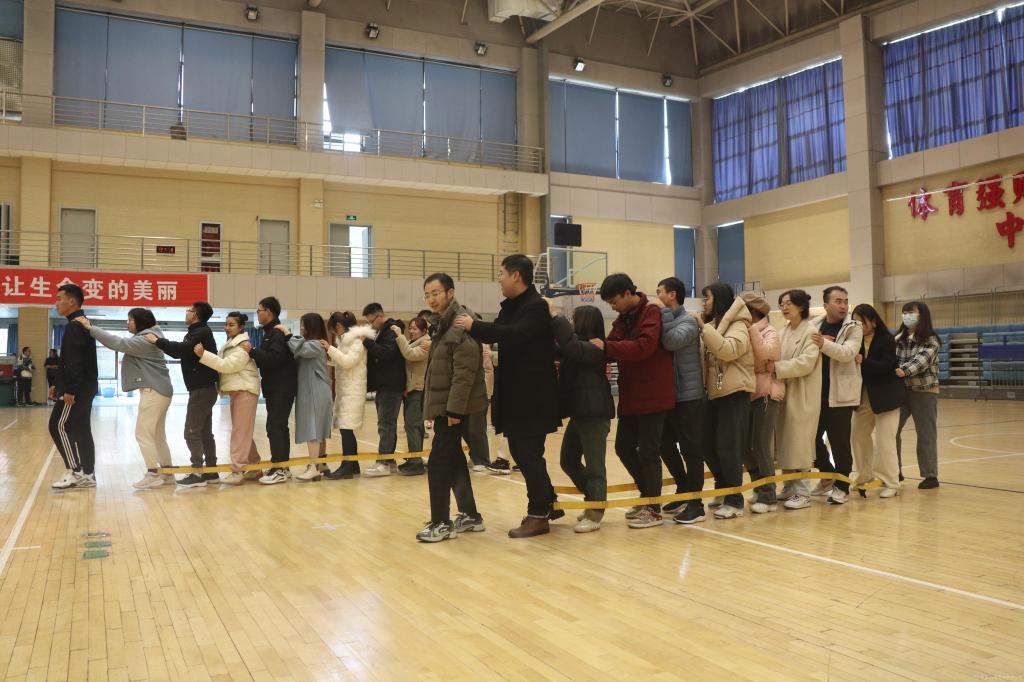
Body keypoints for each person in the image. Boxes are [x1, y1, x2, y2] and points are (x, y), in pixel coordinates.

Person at [455, 254, 561, 539]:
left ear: (516, 275)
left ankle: (538, 514)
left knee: (527, 453)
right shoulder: (512, 306)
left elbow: (514, 334)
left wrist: (474, 326)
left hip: (533, 397)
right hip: (516, 394)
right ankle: (548, 502)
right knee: (524, 452)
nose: (499, 279)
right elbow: (499, 333)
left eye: (502, 274)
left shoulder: (535, 306)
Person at [597, 273, 675, 529]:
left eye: (614, 301)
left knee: (649, 452)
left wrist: (606, 347)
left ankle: (653, 509)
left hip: (653, 395)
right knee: (623, 447)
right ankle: (647, 496)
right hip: (631, 396)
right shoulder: (624, 317)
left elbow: (644, 346)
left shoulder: (651, 311)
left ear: (628, 293)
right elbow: (611, 343)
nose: (613, 307)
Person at [417, 273, 488, 542]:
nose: (431, 299)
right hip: (446, 406)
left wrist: (454, 411)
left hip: (455, 409)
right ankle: (470, 515)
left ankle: (441, 522)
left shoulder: (460, 323)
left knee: (438, 462)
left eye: (435, 293)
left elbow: (464, 373)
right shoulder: (442, 324)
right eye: (427, 295)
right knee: (455, 458)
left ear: (450, 293)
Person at [77, 308, 175, 489]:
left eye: (130, 320)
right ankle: (168, 474)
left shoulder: (145, 339)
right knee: (157, 436)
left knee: (143, 433)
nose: (127, 323)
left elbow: (118, 343)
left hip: (154, 391)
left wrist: (91, 328)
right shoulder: (151, 336)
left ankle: (153, 473)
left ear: (141, 322)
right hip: (160, 391)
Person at [549, 301, 614, 533]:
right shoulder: (574, 346)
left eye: (574, 319)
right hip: (580, 413)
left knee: (595, 466)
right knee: (568, 460)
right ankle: (595, 499)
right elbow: (558, 347)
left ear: (584, 322)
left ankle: (595, 512)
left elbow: (571, 346)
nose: (571, 322)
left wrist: (555, 317)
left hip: (594, 414)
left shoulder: (594, 347)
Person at [697, 282, 755, 520]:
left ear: (719, 299)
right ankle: (723, 489)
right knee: (706, 445)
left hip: (735, 392)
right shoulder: (714, 324)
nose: (704, 303)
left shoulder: (739, 324)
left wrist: (704, 328)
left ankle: (734, 500)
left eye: (708, 298)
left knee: (729, 447)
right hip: (714, 393)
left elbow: (728, 351)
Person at [146, 301, 220, 487]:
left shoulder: (200, 332)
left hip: (202, 390)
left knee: (191, 432)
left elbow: (179, 350)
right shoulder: (198, 332)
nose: (186, 312)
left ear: (195, 315)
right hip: (203, 388)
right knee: (204, 432)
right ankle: (211, 473)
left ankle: (197, 473)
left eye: (189, 310)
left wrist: (157, 341)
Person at [656, 277, 707, 524]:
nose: (656, 297)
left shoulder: (688, 322)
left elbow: (670, 342)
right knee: (663, 444)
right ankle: (683, 488)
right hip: (670, 396)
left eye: (660, 292)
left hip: (689, 396)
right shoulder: (667, 319)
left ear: (672, 295)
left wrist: (663, 313)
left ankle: (696, 504)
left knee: (691, 449)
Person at [809, 286, 863, 506]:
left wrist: (823, 343)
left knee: (839, 443)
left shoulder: (854, 327)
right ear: (825, 304)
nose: (843, 305)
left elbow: (847, 353)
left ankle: (841, 487)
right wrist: (819, 341)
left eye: (845, 301)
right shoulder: (813, 325)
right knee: (811, 440)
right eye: (838, 301)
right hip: (815, 393)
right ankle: (828, 475)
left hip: (840, 395)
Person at [195, 311, 261, 485]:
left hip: (245, 391)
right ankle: (255, 467)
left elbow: (227, 366)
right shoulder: (231, 344)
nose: (227, 328)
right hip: (237, 391)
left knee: (240, 432)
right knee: (243, 431)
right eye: (226, 324)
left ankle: (238, 470)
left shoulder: (243, 346)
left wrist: (203, 355)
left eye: (231, 325)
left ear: (241, 327)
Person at [773, 289, 822, 510]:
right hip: (784, 391)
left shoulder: (810, 332)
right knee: (785, 441)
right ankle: (789, 486)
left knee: (800, 443)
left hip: (803, 394)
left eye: (788, 303)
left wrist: (776, 368)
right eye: (781, 304)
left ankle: (803, 492)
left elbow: (806, 363)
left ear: (801, 306)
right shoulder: (782, 331)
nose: (784, 307)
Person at [850, 304, 905, 498]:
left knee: (885, 440)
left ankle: (891, 482)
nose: (858, 325)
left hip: (886, 397)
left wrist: (862, 361)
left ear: (873, 321)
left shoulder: (886, 339)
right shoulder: (854, 340)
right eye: (854, 322)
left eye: (861, 321)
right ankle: (863, 476)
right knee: (857, 435)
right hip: (863, 397)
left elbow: (887, 366)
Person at [49, 284, 99, 490]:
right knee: (80, 428)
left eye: (59, 299)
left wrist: (69, 389)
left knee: (58, 426)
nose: (56, 303)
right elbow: (68, 360)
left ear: (72, 301)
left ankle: (76, 472)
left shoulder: (75, 326)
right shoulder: (80, 323)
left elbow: (75, 362)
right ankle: (88, 474)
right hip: (84, 386)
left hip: (77, 388)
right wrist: (57, 383)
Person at [361, 302, 416, 477]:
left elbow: (387, 352)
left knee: (386, 424)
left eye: (371, 321)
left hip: (392, 385)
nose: (370, 325)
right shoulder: (381, 331)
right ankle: (389, 461)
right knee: (385, 423)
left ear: (380, 316)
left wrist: (367, 342)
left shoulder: (391, 330)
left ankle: (384, 462)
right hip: (383, 385)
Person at [741, 291, 783, 514]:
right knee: (744, 446)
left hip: (767, 394)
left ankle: (768, 496)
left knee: (761, 445)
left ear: (753, 312)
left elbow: (767, 352)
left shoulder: (769, 331)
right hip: (748, 392)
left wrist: (752, 330)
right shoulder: (745, 330)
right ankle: (758, 486)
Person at [248, 296, 298, 485]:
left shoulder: (276, 332)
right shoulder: (270, 332)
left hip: (281, 387)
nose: (258, 314)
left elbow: (273, 359)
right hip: (275, 387)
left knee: (275, 426)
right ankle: (282, 466)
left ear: (268, 312)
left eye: (259, 310)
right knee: (279, 426)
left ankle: (280, 468)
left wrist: (252, 351)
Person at [280, 313, 334, 482]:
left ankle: (313, 468)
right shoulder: (312, 343)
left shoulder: (316, 344)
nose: (301, 327)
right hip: (315, 389)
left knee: (313, 430)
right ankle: (319, 465)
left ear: (311, 326)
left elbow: (298, 349)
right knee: (318, 430)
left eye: (304, 324)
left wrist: (287, 333)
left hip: (315, 390)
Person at [323, 311, 375, 480]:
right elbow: (341, 361)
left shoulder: (356, 342)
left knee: (346, 429)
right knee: (346, 429)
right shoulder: (345, 341)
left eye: (333, 329)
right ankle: (353, 465)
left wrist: (329, 348)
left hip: (353, 391)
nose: (333, 333)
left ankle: (347, 466)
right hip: (345, 390)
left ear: (339, 326)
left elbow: (347, 362)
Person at [895, 301, 941, 489]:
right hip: (901, 392)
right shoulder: (898, 338)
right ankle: (894, 471)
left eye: (911, 312)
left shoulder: (931, 340)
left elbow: (921, 361)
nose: (907, 316)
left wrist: (902, 370)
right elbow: (891, 358)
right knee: (891, 431)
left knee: (926, 434)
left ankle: (930, 475)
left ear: (922, 315)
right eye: (905, 312)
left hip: (924, 392)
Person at [393, 316, 431, 473]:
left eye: (415, 328)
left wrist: (399, 335)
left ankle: (416, 462)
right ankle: (415, 457)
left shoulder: (426, 343)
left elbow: (410, 354)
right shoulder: (412, 341)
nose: (411, 331)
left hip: (418, 389)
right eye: (410, 328)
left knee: (412, 424)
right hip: (410, 389)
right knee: (415, 424)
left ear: (424, 331)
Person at [461, 313, 492, 471]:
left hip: (480, 392)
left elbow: (487, 370)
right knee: (465, 427)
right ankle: (474, 455)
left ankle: (482, 460)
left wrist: (487, 392)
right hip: (465, 393)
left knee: (476, 428)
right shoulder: (462, 343)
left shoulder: (481, 345)